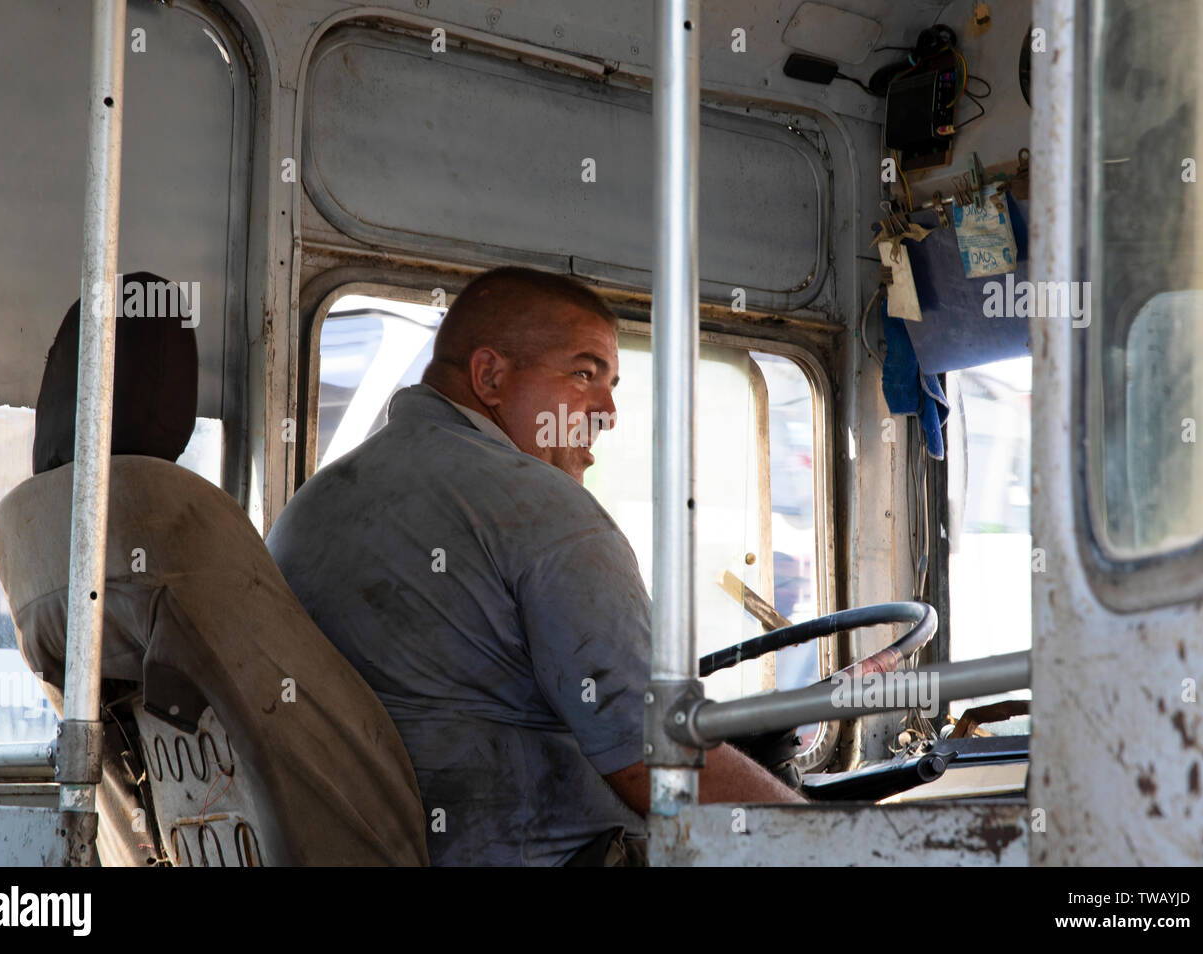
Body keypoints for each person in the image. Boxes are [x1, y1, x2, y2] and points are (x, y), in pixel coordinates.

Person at [266, 266, 803, 866]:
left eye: (613, 386)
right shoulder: (543, 511)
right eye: (583, 374)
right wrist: (828, 842)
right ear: (490, 376)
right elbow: (657, 767)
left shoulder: (310, 507)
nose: (608, 412)